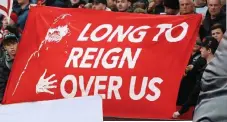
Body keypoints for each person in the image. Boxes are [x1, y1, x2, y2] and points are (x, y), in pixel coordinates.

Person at [173, 36, 219, 119]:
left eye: (203, 48)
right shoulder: (218, 67)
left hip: (207, 110)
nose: (200, 49)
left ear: (209, 50)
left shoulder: (208, 70)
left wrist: (181, 111)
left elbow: (196, 91)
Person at [0, 33, 19, 103]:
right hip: (9, 99)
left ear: (18, 43)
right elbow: (1, 85)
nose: (12, 47)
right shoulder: (2, 64)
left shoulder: (27, 59)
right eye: (8, 45)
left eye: (13, 43)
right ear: (5, 47)